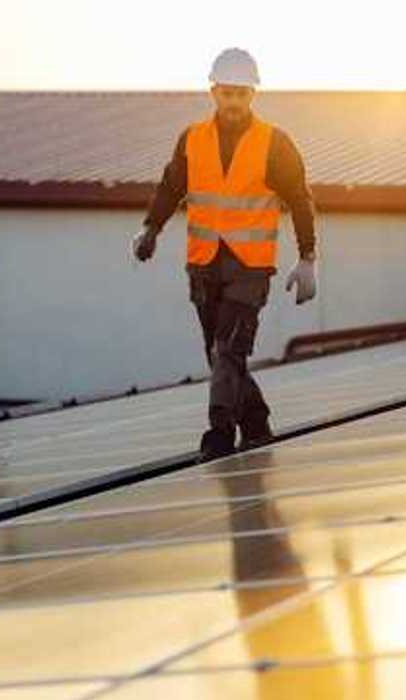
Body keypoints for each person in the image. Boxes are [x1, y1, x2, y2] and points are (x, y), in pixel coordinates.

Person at [131, 47, 318, 462]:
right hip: (203, 265)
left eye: (242, 93)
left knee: (227, 350)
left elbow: (299, 199)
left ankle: (219, 433)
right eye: (227, 93)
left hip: (250, 268)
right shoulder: (192, 139)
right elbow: (171, 187)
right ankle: (255, 422)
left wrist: (308, 258)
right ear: (213, 92)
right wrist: (151, 228)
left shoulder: (274, 143)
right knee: (220, 354)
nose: (234, 101)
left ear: (253, 95)